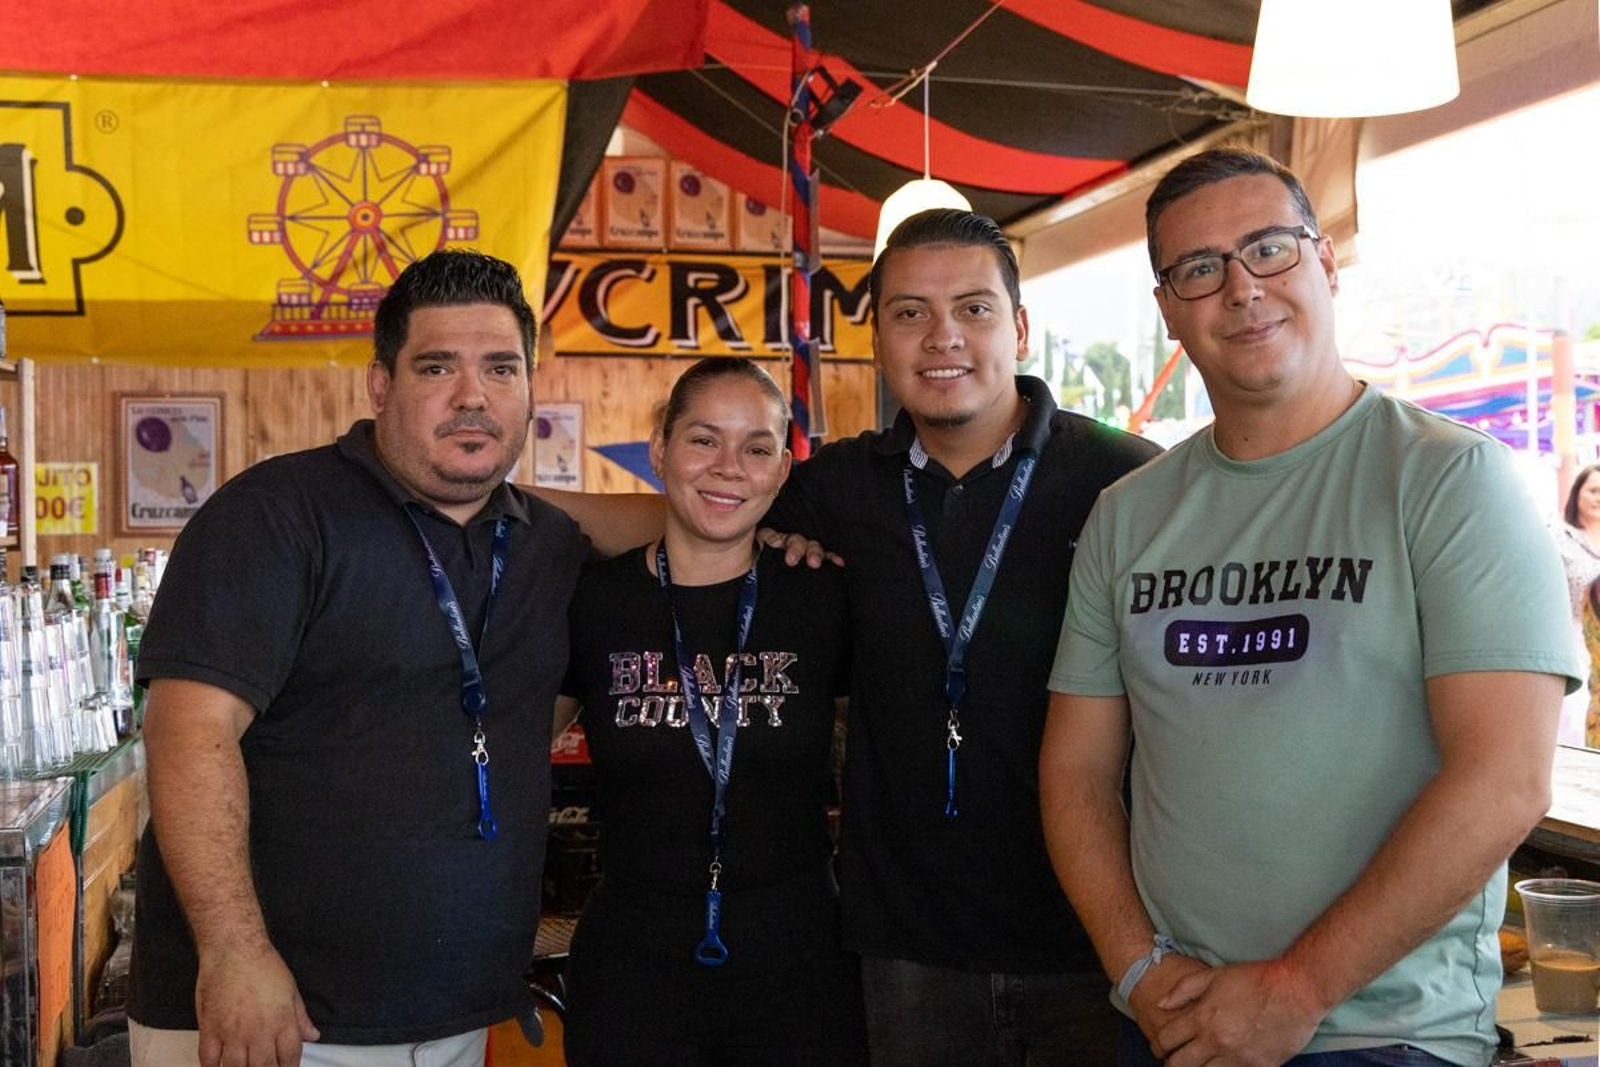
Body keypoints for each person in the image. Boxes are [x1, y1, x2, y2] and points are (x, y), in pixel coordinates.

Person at [542, 209, 1160, 1064]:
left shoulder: (1126, 480)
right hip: (903, 949)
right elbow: (708, 511)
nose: (943, 336)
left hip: (1091, 937)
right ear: (877, 341)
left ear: (1019, 327)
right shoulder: (839, 487)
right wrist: (495, 501)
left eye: (973, 308)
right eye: (910, 312)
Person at [1042, 147, 1580, 1067]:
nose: (1241, 287)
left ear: (1325, 261)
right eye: (1199, 268)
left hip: (1388, 1035)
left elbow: (1505, 777)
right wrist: (1137, 969)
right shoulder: (1127, 516)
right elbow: (1077, 774)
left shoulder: (1450, 479)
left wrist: (1298, 987)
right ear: (1167, 307)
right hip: (1175, 1022)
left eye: (1268, 248)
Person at [128, 250, 587, 1067]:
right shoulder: (275, 516)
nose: (473, 394)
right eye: (437, 367)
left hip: (452, 1015)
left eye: (501, 367)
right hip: (270, 1019)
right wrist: (234, 952)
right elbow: (188, 733)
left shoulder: (547, 545)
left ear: (529, 385)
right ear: (380, 385)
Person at [556, 356, 867, 1066]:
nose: (729, 467)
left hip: (800, 962)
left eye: (757, 448)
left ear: (781, 471)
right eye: (703, 440)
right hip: (633, 965)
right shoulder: (594, 600)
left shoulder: (823, 597)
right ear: (659, 449)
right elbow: (515, 744)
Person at [1555, 464, 1600, 747]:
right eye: (1593, 490)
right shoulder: (1561, 539)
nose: (1599, 498)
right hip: (1572, 641)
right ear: (1577, 494)